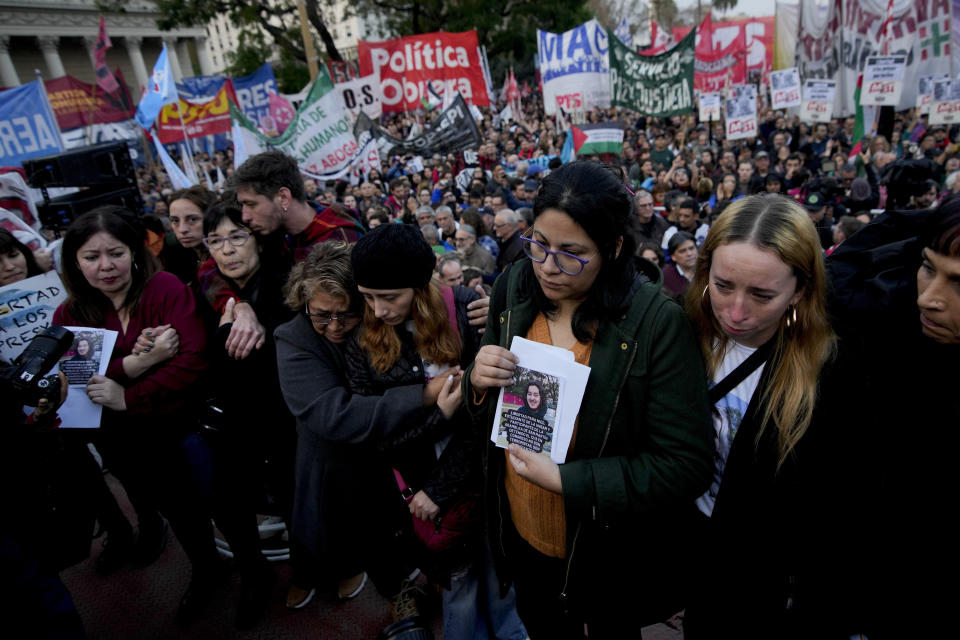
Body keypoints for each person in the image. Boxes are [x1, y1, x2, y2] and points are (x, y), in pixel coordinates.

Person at [465, 161, 713, 638]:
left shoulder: (655, 323)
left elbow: (685, 464)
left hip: (607, 551)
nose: (548, 267)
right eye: (538, 243)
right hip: (523, 536)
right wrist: (479, 380)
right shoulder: (513, 286)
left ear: (614, 247)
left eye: (572, 253)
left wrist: (569, 480)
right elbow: (487, 416)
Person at [344, 224, 526, 640]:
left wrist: (501, 307)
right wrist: (438, 419)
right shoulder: (363, 341)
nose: (377, 310)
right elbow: (376, 433)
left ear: (421, 286)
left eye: (389, 297)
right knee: (458, 582)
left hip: (484, 475)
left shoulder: (465, 308)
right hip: (421, 485)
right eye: (368, 297)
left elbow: (489, 415)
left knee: (502, 568)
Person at [52, 207, 224, 626]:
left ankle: (209, 568)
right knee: (147, 497)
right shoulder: (69, 314)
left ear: (134, 251)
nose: (105, 266)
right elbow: (75, 380)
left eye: (115, 252)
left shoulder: (163, 288)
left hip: (173, 427)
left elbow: (192, 360)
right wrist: (135, 365)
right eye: (91, 257)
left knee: (190, 507)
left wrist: (130, 395)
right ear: (74, 263)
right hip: (115, 436)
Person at [682, 194, 837, 638]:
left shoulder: (826, 372)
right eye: (723, 285)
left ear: (801, 290)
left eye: (762, 295)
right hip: (693, 549)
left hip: (760, 576)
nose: (735, 312)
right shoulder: (683, 330)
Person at [275, 241, 441, 625]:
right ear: (304, 301)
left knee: (414, 526)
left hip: (396, 452)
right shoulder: (293, 339)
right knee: (371, 539)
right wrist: (422, 396)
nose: (333, 327)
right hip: (341, 467)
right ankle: (397, 595)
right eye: (321, 316)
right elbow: (333, 414)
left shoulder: (381, 321)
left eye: (345, 315)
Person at [195, 201, 298, 626]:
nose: (227, 250)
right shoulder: (205, 289)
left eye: (237, 236)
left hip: (284, 420)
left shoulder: (286, 285)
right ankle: (253, 573)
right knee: (225, 499)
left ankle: (313, 568)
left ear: (259, 237)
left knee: (295, 499)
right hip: (228, 423)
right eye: (216, 240)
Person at [661, 231, 697, 302]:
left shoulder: (707, 271)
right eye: (682, 251)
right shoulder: (664, 276)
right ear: (673, 256)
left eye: (691, 248)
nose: (689, 253)